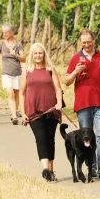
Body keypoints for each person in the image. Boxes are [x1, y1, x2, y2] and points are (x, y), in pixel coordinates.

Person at [65, 29, 100, 179]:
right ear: (80, 43)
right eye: (83, 42)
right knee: (86, 139)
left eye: (89, 41)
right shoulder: (75, 58)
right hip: (83, 104)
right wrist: (75, 71)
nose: (86, 45)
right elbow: (66, 81)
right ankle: (91, 168)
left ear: (94, 40)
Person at [19, 43, 62, 182]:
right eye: (35, 53)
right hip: (33, 111)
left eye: (40, 53)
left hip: (51, 110)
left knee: (50, 139)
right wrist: (23, 112)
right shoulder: (27, 71)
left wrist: (59, 103)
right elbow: (22, 93)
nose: (38, 56)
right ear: (32, 55)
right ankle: (45, 169)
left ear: (44, 54)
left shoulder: (50, 69)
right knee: (41, 138)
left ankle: (50, 170)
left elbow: (58, 89)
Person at [0, 24, 25, 125]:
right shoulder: (1, 44)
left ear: (12, 33)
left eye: (6, 32)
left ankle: (15, 111)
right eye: (3, 32)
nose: (4, 34)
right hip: (6, 73)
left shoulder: (18, 44)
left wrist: (16, 55)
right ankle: (14, 116)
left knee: (16, 94)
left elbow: (23, 58)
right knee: (10, 94)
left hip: (17, 72)